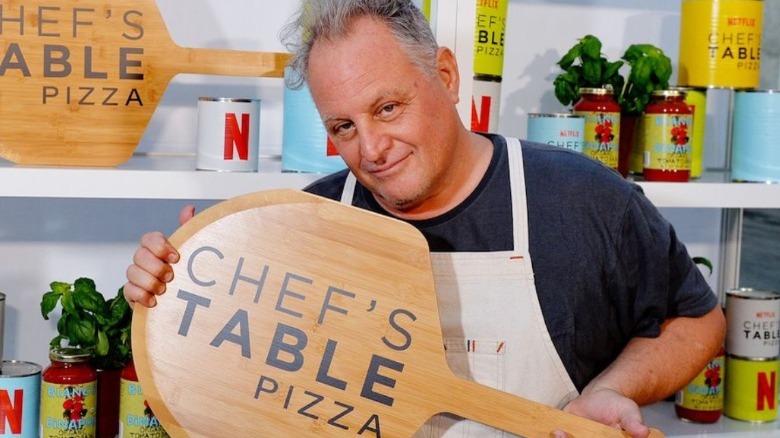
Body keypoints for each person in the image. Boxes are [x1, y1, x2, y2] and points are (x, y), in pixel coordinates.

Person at [124, 1, 726, 437]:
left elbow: (695, 320)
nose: (372, 148)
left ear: (444, 76)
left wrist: (611, 391)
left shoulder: (583, 200)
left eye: (388, 108)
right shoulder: (303, 227)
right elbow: (237, 383)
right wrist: (170, 288)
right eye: (343, 127)